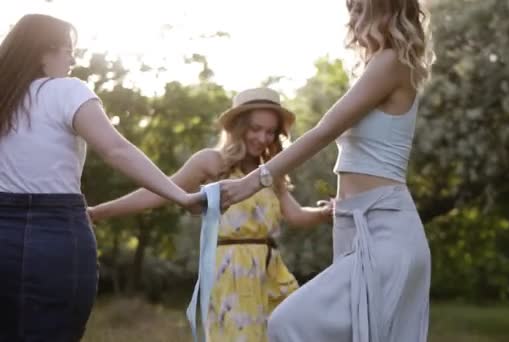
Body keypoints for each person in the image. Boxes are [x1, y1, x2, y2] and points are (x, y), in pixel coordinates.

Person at [218, 0, 435, 340]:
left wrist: (254, 181)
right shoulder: (378, 65)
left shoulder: (393, 61)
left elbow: (324, 130)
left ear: (382, 8)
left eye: (358, 5)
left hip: (386, 228)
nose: (351, 14)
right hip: (354, 226)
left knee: (287, 322)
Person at [0, 14, 201, 341]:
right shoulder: (67, 91)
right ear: (43, 51)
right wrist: (181, 195)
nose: (73, 59)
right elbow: (117, 150)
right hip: (55, 237)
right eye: (68, 49)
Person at [88, 87, 333, 341]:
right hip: (232, 273)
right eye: (255, 128)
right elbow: (159, 192)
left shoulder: (270, 173)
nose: (262, 138)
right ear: (238, 127)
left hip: (271, 271)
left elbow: (296, 215)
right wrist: (97, 212)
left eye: (270, 132)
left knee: (295, 332)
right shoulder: (213, 163)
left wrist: (328, 212)